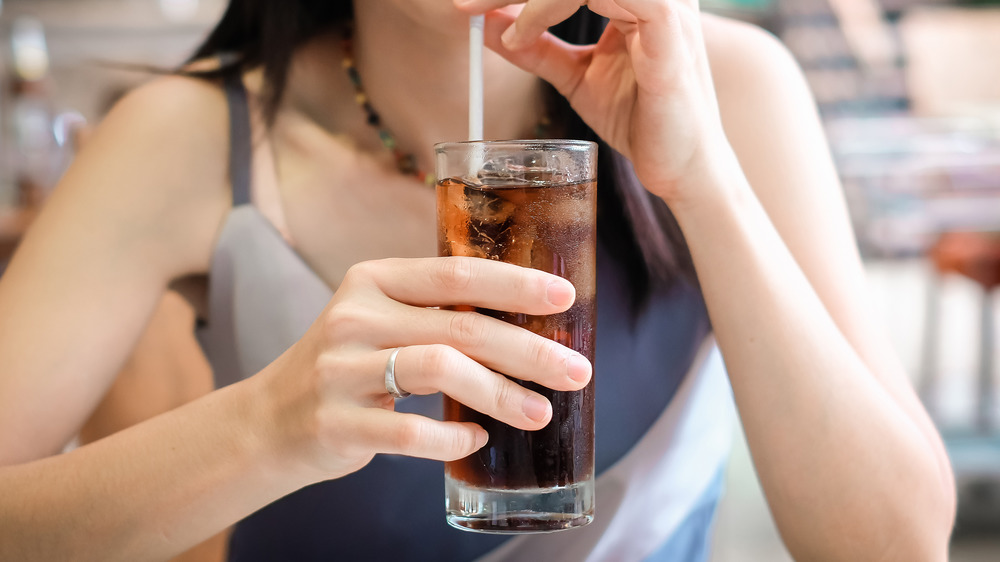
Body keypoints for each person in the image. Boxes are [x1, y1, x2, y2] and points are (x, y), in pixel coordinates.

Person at [0, 0, 956, 560]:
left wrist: (701, 179)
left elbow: (896, 541)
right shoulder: (185, 136)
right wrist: (267, 426)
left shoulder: (728, 87)